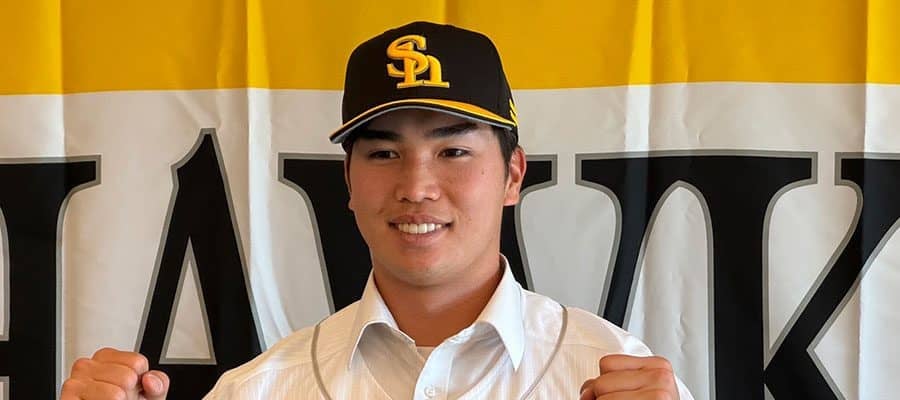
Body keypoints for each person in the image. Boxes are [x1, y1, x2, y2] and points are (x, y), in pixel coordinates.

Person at [61, 21, 694, 400]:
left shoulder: (612, 371)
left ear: (512, 174)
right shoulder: (259, 388)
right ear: (349, 180)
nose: (417, 186)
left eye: (452, 150)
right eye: (385, 153)